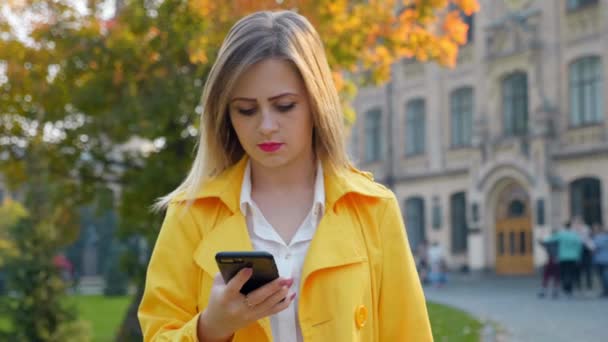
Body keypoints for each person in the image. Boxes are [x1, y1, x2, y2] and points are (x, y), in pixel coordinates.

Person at [137, 10, 432, 342]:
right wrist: (210, 328)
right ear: (226, 113)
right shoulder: (190, 213)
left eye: (284, 105)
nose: (266, 126)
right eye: (246, 110)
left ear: (316, 103)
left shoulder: (374, 209)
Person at [545, 221, 583, 298]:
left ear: (564, 226)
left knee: (564, 273)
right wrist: (579, 256)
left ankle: (565, 287)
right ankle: (570, 289)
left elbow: (550, 240)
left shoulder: (561, 234)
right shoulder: (575, 235)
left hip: (563, 257)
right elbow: (579, 245)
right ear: (571, 226)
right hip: (573, 257)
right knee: (571, 273)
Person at [572, 216, 594, 293]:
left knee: (588, 269)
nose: (577, 223)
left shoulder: (586, 228)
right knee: (577, 269)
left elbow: (587, 238)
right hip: (577, 251)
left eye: (578, 221)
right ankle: (578, 284)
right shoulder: (573, 229)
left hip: (585, 249)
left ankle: (589, 285)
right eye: (576, 221)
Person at [537, 229, 560, 298]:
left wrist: (540, 236)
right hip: (557, 260)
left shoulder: (549, 241)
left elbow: (541, 243)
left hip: (550, 260)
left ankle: (543, 291)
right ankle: (555, 291)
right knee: (556, 276)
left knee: (546, 276)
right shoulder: (559, 242)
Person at [592, 224, 608, 298]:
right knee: (605, 275)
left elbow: (594, 248)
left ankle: (605, 290)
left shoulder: (598, 238)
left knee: (603, 276)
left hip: (599, 260)